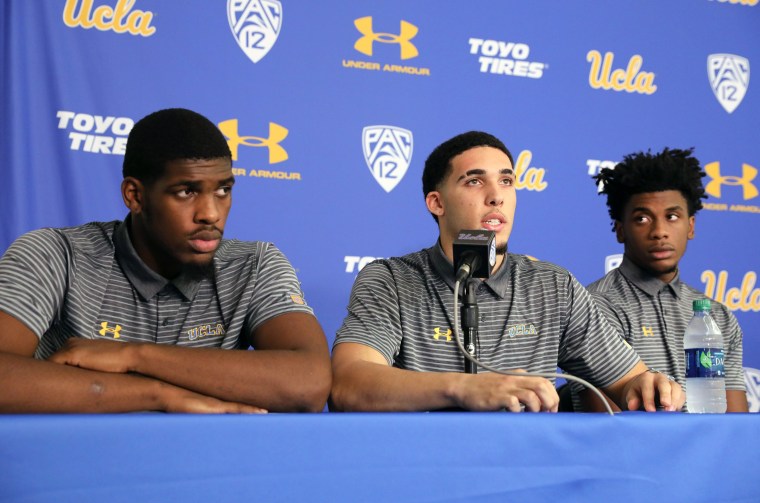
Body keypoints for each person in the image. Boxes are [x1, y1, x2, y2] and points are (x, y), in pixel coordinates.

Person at [0, 108, 331, 413]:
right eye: (186, 191)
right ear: (135, 196)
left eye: (223, 190)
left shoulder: (254, 265)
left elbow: (309, 383)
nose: (211, 214)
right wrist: (159, 394)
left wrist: (133, 355)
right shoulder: (56, 254)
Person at [330, 131, 683, 413]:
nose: (496, 196)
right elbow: (349, 384)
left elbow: (628, 382)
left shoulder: (553, 286)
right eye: (474, 182)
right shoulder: (390, 280)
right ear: (436, 203)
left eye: (507, 181)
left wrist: (648, 386)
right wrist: (464, 389)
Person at [576, 148, 747, 412]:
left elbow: (735, 425)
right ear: (620, 231)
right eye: (642, 218)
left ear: (690, 226)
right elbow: (606, 426)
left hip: (710, 453)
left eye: (672, 217)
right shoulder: (593, 308)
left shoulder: (718, 316)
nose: (659, 232)